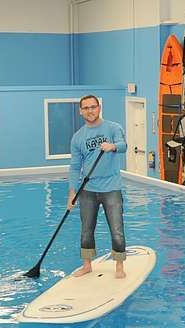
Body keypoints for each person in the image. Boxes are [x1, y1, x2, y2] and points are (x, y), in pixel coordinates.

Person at [68, 95, 128, 278]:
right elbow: (75, 166)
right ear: (80, 111)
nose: (90, 110)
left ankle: (119, 266)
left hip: (111, 187)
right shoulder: (78, 137)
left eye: (93, 107)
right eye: (85, 108)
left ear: (99, 107)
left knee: (117, 229)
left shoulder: (113, 128)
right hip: (87, 190)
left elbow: (123, 145)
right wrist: (72, 192)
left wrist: (112, 146)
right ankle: (87, 265)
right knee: (86, 230)